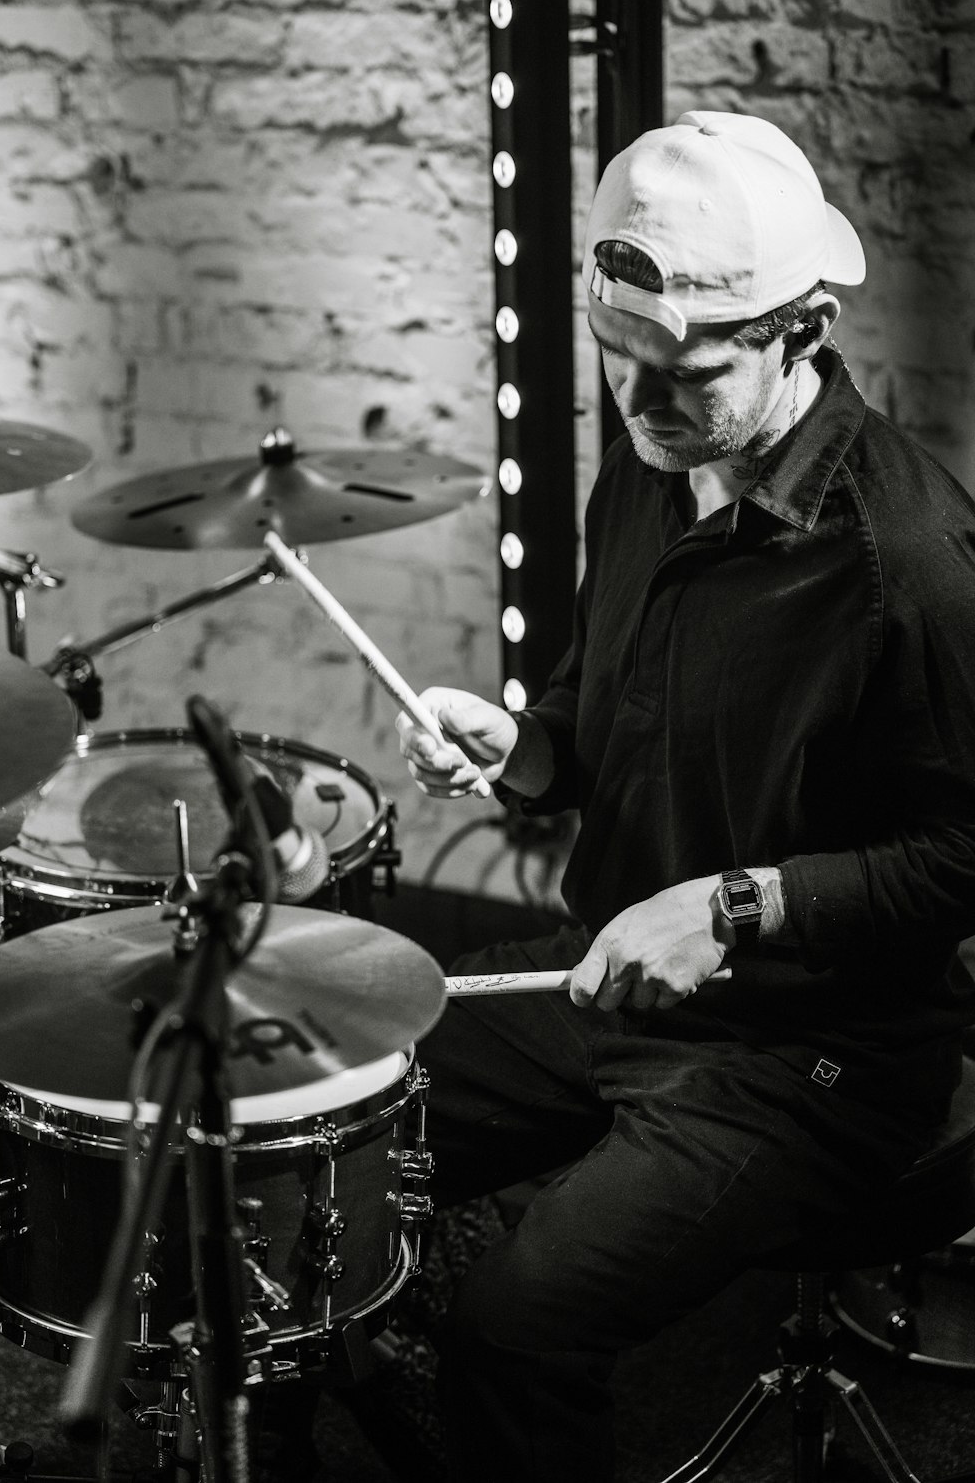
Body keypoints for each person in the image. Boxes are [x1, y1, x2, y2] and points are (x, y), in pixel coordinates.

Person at [395, 110, 975, 1480]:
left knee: (517, 1331)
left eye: (691, 375)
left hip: (813, 1056)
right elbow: (601, 716)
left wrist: (734, 905)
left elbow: (967, 855)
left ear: (801, 327)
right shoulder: (651, 467)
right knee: (341, 1105)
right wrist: (520, 745)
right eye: (621, 365)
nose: (647, 406)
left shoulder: (914, 560)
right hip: (604, 987)